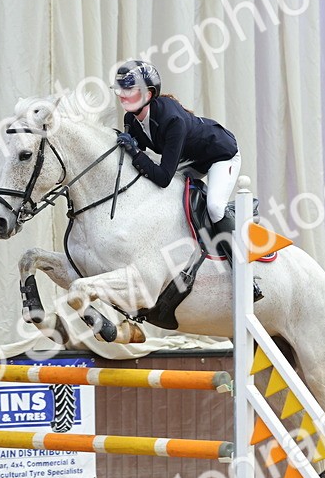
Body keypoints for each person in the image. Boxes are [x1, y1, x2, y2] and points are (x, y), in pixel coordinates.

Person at [112, 60, 262, 301]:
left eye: (130, 90)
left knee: (214, 208)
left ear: (148, 94)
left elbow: (162, 177)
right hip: (192, 157)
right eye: (121, 90)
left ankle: (244, 272)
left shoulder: (173, 120)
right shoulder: (131, 120)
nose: (123, 96)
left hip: (221, 154)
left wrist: (136, 152)